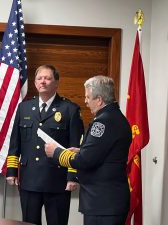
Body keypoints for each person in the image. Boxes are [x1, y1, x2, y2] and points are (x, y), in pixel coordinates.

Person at [45, 75, 132, 225]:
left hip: (102, 203)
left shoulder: (103, 122)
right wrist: (80, 150)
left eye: (88, 97)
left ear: (99, 100)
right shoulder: (115, 117)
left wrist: (57, 153)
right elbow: (104, 153)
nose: (85, 101)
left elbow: (85, 161)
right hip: (108, 201)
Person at [6, 65, 85, 225]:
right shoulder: (24, 108)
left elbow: (75, 146)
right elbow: (15, 142)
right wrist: (12, 171)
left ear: (56, 83)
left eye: (48, 78)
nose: (43, 82)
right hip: (29, 180)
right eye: (39, 78)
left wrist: (73, 176)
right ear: (35, 83)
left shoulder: (69, 109)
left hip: (57, 181)